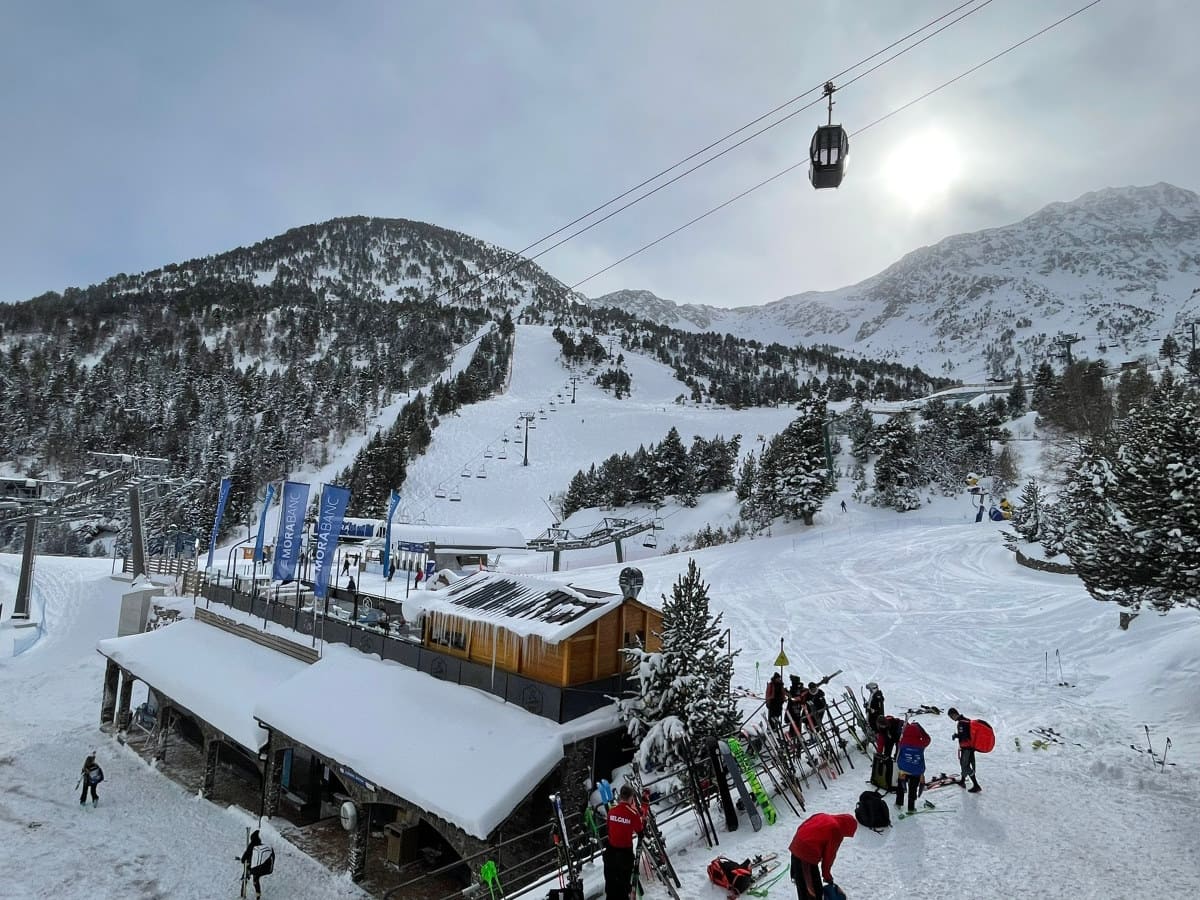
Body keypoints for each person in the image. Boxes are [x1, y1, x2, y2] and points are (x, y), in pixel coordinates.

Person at [788, 812, 858, 900]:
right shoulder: (836, 830)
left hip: (796, 845)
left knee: (804, 886)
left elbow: (803, 826)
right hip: (806, 856)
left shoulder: (822, 815)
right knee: (812, 892)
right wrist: (827, 876)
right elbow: (829, 857)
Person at [603, 784, 644, 900]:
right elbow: (640, 832)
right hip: (625, 854)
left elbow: (609, 829)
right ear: (631, 798)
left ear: (620, 796)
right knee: (623, 886)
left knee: (611, 885)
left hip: (610, 853)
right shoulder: (633, 813)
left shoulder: (611, 811)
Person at [895, 720, 931, 811]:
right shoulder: (921, 743)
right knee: (913, 788)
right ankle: (911, 807)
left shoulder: (902, 742)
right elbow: (928, 739)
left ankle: (899, 803)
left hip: (904, 769)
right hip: (916, 770)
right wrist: (921, 730)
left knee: (900, 786)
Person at [948, 708, 982, 792]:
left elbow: (965, 736)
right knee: (963, 763)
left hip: (966, 748)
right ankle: (963, 781)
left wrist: (956, 736)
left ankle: (976, 785)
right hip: (970, 747)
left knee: (965, 765)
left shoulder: (961, 723)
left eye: (951, 717)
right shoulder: (967, 720)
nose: (952, 719)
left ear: (954, 714)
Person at [238, 829, 268, 899]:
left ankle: (243, 893)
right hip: (258, 866)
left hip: (250, 865)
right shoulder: (260, 845)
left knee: (245, 877)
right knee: (256, 880)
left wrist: (243, 860)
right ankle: (258, 895)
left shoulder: (251, 846)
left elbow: (245, 856)